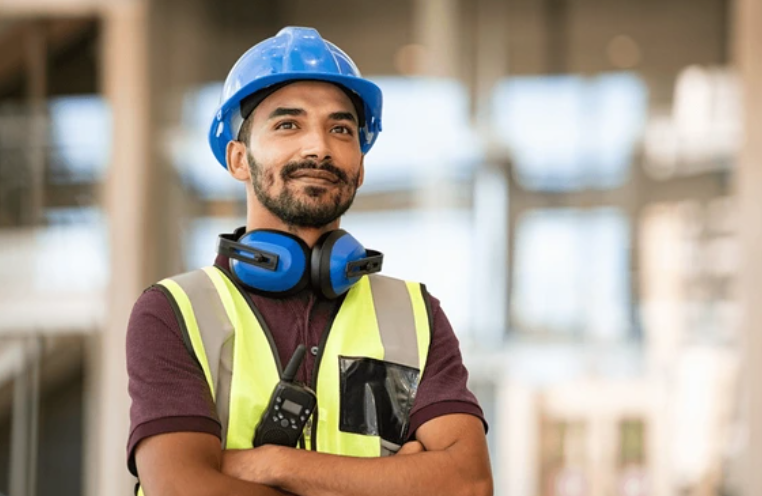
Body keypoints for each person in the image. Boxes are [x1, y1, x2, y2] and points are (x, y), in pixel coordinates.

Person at [127, 26, 493, 496]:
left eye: (340, 129)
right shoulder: (173, 311)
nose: (318, 147)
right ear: (239, 159)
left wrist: (274, 464)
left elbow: (468, 483)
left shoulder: (416, 314)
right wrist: (396, 482)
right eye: (287, 125)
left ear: (360, 165)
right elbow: (183, 489)